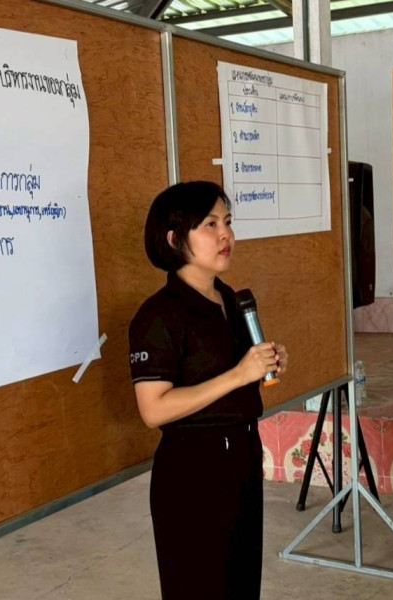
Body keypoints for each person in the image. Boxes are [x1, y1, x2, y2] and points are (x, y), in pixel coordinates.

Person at [128, 181, 288, 600]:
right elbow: (153, 409)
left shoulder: (230, 300)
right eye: (210, 225)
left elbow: (233, 374)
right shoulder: (158, 316)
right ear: (174, 239)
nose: (226, 235)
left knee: (241, 586)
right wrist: (238, 374)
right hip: (193, 473)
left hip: (243, 457)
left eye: (228, 222)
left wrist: (264, 365)